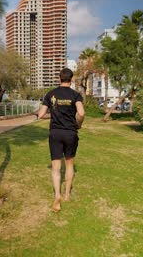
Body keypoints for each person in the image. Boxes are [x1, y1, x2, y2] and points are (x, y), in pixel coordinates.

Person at [36, 68, 85, 212]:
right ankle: (67, 194)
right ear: (71, 79)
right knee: (69, 165)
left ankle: (57, 195)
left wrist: (53, 116)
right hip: (70, 133)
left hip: (55, 133)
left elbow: (40, 115)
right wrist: (79, 124)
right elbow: (81, 113)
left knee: (56, 167)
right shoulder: (76, 95)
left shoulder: (51, 94)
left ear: (59, 78)